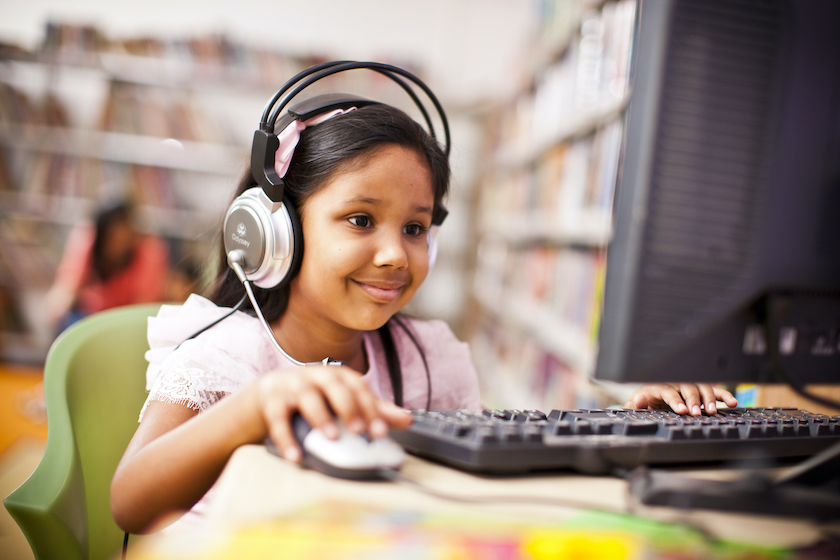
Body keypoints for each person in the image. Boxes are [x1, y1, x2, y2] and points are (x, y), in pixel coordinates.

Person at [110, 93, 737, 535]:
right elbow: (129, 503)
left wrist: (640, 429)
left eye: (416, 227)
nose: (394, 255)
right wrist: (252, 408)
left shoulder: (424, 357)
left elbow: (480, 470)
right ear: (273, 231)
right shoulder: (226, 353)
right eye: (360, 220)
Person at [44, 200, 170, 334]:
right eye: (112, 236)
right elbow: (69, 284)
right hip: (87, 316)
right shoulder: (87, 238)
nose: (119, 241)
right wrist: (56, 310)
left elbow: (144, 306)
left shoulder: (149, 250)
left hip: (124, 322)